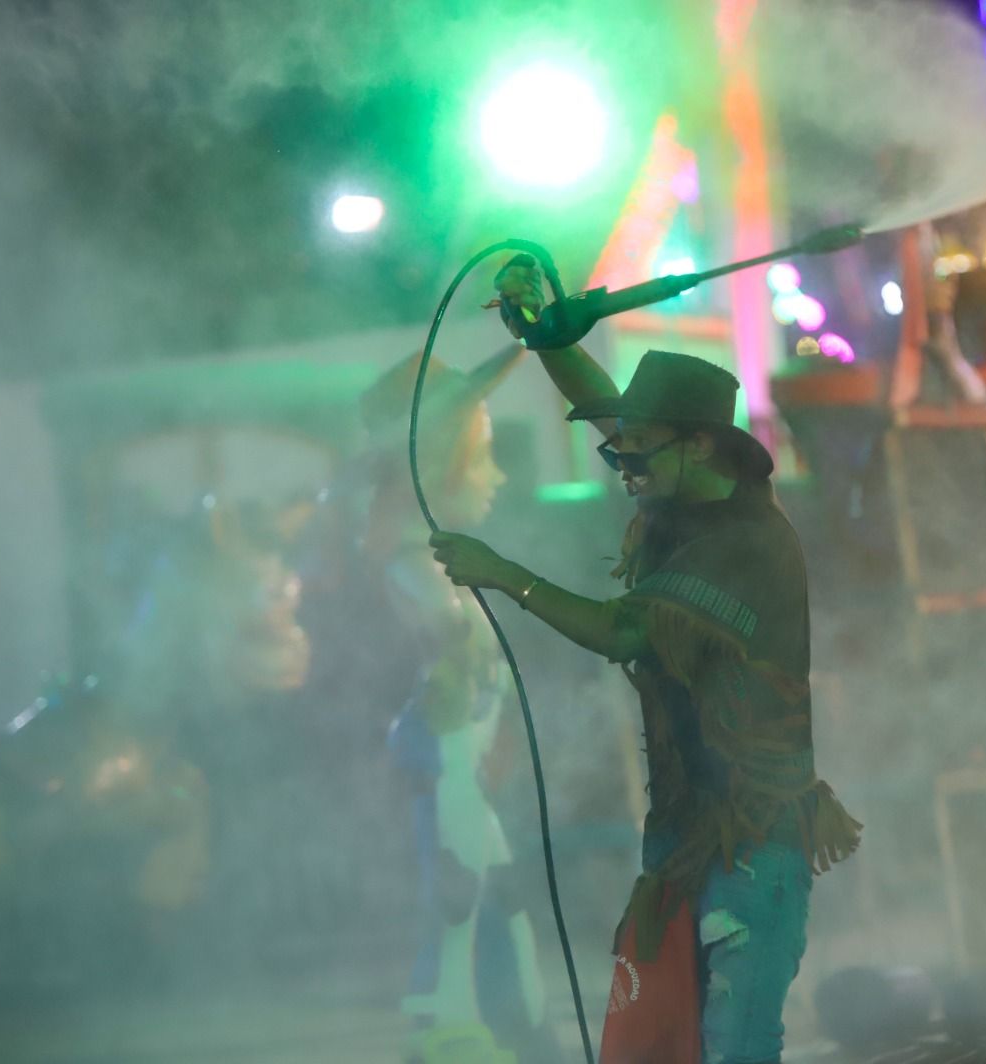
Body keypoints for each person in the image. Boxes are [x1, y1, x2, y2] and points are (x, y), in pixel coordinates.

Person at [428, 256, 862, 1063]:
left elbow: (623, 632)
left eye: (638, 457)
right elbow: (604, 407)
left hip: (753, 838)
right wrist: (546, 334)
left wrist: (500, 572)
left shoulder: (744, 542)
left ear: (701, 447)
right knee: (670, 1047)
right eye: (615, 456)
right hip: (682, 831)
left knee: (735, 1045)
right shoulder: (674, 486)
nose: (623, 470)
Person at [354, 344, 549, 1063]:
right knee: (462, 888)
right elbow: (442, 648)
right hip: (444, 749)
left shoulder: (434, 558)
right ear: (435, 465)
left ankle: (501, 1016)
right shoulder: (410, 561)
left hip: (462, 747)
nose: (495, 477)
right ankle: (451, 1026)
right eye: (481, 458)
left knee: (489, 885)